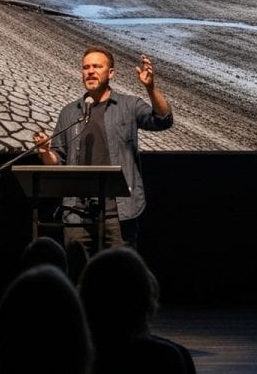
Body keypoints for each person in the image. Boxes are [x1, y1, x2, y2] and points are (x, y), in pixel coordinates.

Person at [34, 47, 173, 256]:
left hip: (119, 212)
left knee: (120, 277)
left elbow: (163, 120)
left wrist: (151, 88)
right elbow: (57, 162)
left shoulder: (128, 105)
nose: (90, 71)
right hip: (76, 212)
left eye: (97, 66)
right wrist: (45, 152)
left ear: (111, 73)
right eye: (86, 67)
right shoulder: (70, 112)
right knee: (78, 278)